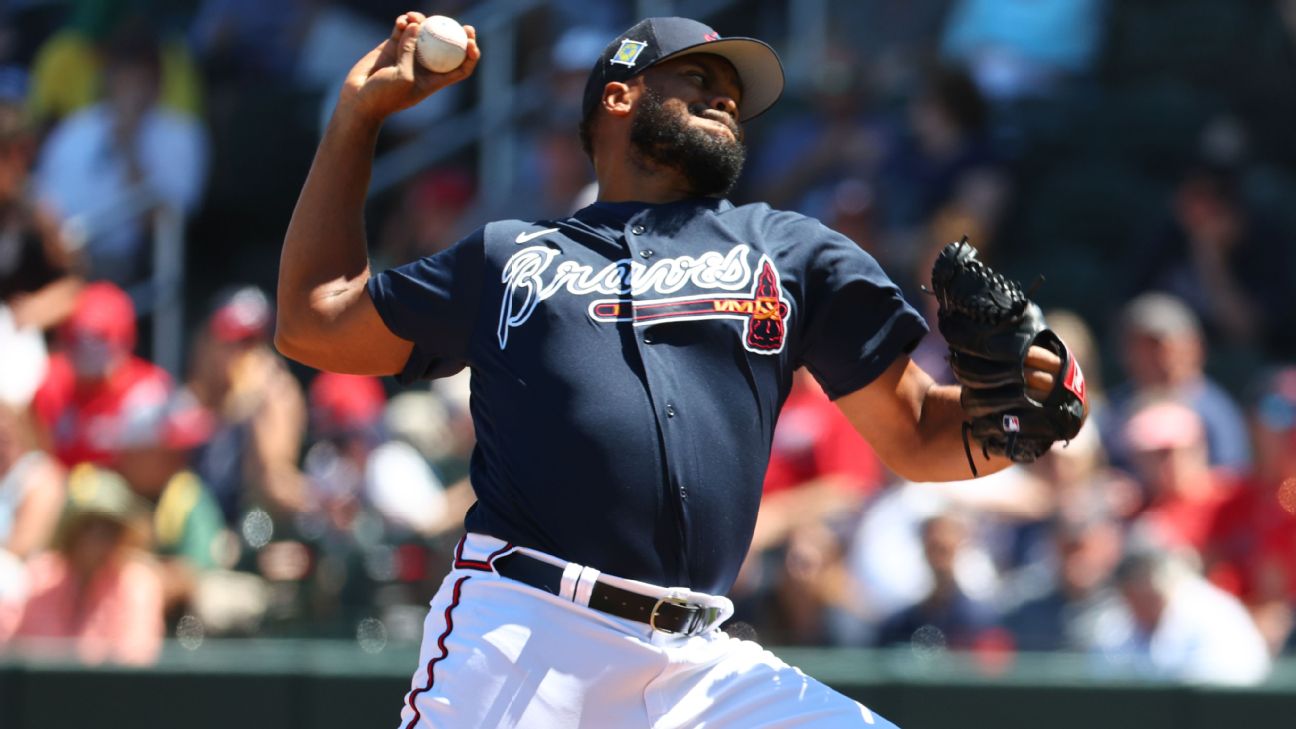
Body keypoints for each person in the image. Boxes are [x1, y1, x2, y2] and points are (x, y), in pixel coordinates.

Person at [275, 14, 1075, 727]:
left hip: (701, 662)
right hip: (527, 629)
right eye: (700, 78)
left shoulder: (791, 250)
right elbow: (315, 321)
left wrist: (1015, 419)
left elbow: (917, 433)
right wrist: (358, 119)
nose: (727, 98)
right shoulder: (511, 256)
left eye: (734, 90)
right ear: (619, 97)